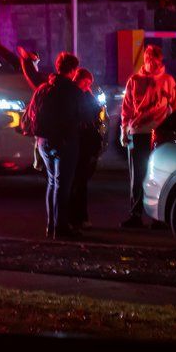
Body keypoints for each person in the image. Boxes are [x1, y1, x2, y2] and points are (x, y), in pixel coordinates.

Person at [119, 44, 176, 228]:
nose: (150, 62)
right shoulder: (135, 80)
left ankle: (156, 217)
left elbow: (175, 107)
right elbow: (127, 108)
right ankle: (137, 214)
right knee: (138, 176)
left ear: (159, 60)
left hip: (156, 133)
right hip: (138, 132)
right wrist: (124, 129)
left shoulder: (167, 81)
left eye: (153, 59)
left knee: (156, 175)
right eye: (148, 58)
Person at [29, 51, 87, 240]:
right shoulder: (73, 91)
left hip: (43, 141)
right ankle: (61, 227)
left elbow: (32, 111)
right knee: (63, 185)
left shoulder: (45, 87)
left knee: (52, 183)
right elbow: (85, 115)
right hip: (65, 142)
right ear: (72, 70)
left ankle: (51, 226)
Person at [68, 67, 107, 232]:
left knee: (76, 183)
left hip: (80, 146)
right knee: (78, 184)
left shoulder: (80, 95)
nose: (87, 86)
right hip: (81, 146)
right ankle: (79, 217)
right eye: (86, 83)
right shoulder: (81, 96)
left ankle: (76, 217)